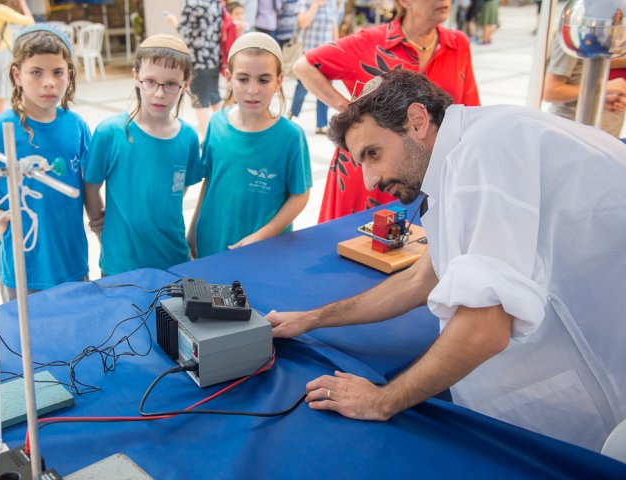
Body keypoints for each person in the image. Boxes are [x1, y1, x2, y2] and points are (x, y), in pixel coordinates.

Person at [267, 69, 626, 451]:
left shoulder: (483, 152)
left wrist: (381, 400)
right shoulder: (465, 151)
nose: (370, 181)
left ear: (418, 121)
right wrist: (312, 318)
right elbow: (421, 279)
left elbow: (485, 328)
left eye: (373, 154)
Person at [0, 25, 93, 300]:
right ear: (17, 74)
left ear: (69, 74)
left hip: (73, 262)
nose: (49, 82)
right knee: (25, 339)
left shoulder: (76, 126)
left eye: (58, 72)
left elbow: (90, 183)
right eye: (36, 72)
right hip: (25, 269)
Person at [292, 0, 479, 222]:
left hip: (421, 172)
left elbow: (469, 112)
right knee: (355, 245)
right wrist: (351, 112)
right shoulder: (369, 42)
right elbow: (303, 66)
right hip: (365, 174)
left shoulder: (457, 44)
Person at [84, 35, 201, 276]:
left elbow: (178, 190)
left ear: (186, 83)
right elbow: (90, 187)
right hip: (121, 262)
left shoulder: (188, 136)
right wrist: (100, 227)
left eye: (171, 84)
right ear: (136, 76)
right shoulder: (110, 133)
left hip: (173, 258)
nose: (159, 93)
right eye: (150, 81)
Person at [189, 32, 312, 258]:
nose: (252, 90)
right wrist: (194, 231)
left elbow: (300, 196)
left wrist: (263, 236)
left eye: (263, 80)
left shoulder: (290, 136)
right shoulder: (216, 124)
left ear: (279, 81)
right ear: (228, 78)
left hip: (264, 250)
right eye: (243, 79)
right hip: (212, 241)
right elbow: (209, 181)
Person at [543, 34, 626, 138]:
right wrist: (604, 88)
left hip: (604, 131)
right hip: (573, 129)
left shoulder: (612, 33)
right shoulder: (575, 35)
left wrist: (603, 97)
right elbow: (550, 92)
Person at [167, 0, 223, 138]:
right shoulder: (215, 2)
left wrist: (173, 21)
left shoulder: (192, 3)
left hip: (198, 59)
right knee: (215, 97)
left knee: (200, 101)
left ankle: (207, 139)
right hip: (214, 56)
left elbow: (187, 32)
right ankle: (223, 133)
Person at [288, 0, 339, 135]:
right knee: (303, 86)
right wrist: (315, 5)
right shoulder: (305, 2)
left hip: (327, 53)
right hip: (310, 53)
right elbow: (303, 23)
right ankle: (292, 112)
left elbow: (333, 26)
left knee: (326, 87)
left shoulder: (332, 2)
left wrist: (337, 47)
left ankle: (321, 124)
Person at [0, 0, 34, 114]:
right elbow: (29, 21)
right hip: (2, 52)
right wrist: (23, 3)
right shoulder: (0, 10)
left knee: (2, 90)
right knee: (2, 91)